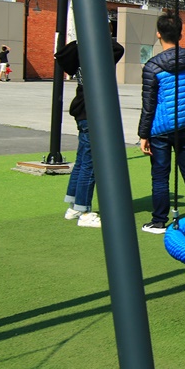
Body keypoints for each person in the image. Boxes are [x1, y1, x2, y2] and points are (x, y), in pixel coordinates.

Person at [138, 10, 185, 234]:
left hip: (160, 128)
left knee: (160, 176)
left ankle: (159, 221)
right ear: (180, 34)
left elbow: (148, 105)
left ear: (158, 34)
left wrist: (143, 134)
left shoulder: (151, 67)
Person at [58, 39, 125, 229]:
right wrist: (96, 36)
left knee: (82, 160)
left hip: (82, 110)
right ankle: (84, 211)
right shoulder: (98, 57)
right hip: (92, 112)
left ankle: (74, 205)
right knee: (90, 163)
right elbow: (118, 48)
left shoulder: (79, 54)